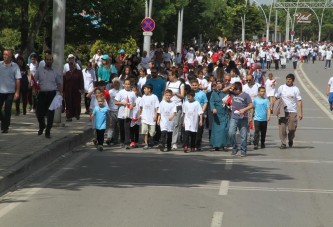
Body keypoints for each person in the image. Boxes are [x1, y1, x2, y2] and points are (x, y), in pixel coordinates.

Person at [34, 54, 62, 138]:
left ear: (52, 61)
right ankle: (42, 125)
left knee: (50, 114)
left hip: (52, 94)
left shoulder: (55, 71)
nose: (49, 61)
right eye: (47, 59)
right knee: (39, 112)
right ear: (45, 60)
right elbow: (35, 81)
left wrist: (60, 93)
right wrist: (34, 90)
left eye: (50, 60)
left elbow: (59, 83)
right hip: (42, 93)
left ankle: (48, 131)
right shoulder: (40, 70)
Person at [224, 82, 253, 157]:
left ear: (239, 89)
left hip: (243, 118)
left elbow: (251, 105)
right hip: (234, 117)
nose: (233, 91)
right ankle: (235, 148)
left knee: (243, 135)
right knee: (231, 133)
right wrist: (231, 86)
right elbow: (223, 90)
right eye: (233, 90)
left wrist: (244, 109)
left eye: (235, 90)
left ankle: (243, 150)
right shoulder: (232, 93)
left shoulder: (246, 95)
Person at [274, 74, 303, 149]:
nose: (288, 80)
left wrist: (300, 112)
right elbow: (276, 97)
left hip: (292, 111)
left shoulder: (296, 89)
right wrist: (274, 107)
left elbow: (299, 101)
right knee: (282, 128)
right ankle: (283, 143)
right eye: (287, 79)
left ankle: (290, 139)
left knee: (292, 128)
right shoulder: (282, 87)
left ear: (293, 80)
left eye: (290, 79)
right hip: (283, 111)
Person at [0, 49, 21, 133]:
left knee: (7, 110)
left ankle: (5, 127)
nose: (4, 56)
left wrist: (17, 92)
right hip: (0, 91)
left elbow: (18, 79)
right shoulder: (0, 65)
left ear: (10, 56)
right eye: (4, 54)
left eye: (6, 54)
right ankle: (4, 121)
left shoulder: (15, 66)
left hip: (10, 92)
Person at [165, 71, 185, 150]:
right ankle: (168, 141)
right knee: (168, 123)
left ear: (174, 75)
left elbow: (182, 96)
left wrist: (175, 94)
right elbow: (165, 93)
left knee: (176, 124)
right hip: (169, 106)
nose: (169, 77)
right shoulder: (168, 83)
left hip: (177, 106)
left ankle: (174, 143)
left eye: (170, 75)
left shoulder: (180, 84)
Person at [115, 78, 137, 148]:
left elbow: (135, 103)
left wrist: (132, 106)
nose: (127, 85)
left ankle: (127, 141)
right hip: (121, 114)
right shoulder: (121, 92)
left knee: (127, 128)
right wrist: (122, 103)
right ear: (124, 84)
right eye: (126, 84)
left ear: (131, 85)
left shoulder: (133, 93)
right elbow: (116, 102)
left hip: (129, 114)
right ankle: (122, 141)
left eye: (129, 84)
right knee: (121, 128)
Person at [209, 80, 230, 151]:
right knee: (217, 130)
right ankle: (216, 145)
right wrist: (213, 108)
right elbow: (211, 102)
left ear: (223, 85)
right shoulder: (214, 93)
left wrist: (228, 104)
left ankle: (224, 144)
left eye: (220, 83)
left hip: (224, 113)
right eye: (217, 84)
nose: (218, 85)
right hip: (217, 115)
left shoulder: (226, 93)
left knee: (225, 129)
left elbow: (230, 103)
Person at [138, 84, 160, 150]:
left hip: (151, 117)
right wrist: (139, 114)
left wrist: (156, 115)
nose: (144, 90)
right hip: (144, 117)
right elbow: (141, 107)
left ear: (149, 89)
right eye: (144, 89)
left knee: (152, 132)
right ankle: (146, 143)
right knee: (144, 130)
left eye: (145, 89)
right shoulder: (143, 97)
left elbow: (156, 107)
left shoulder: (154, 97)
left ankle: (150, 140)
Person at [190, 79, 208, 151]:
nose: (194, 87)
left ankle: (198, 144)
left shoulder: (202, 93)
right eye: (193, 85)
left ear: (198, 85)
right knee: (191, 130)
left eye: (196, 85)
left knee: (199, 130)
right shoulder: (189, 94)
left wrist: (202, 112)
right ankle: (192, 144)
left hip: (199, 114)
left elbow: (205, 102)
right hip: (191, 114)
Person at [106, 77, 121, 145]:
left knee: (117, 126)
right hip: (111, 110)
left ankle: (115, 139)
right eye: (114, 82)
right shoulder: (110, 91)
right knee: (111, 125)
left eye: (117, 82)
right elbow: (107, 100)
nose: (116, 84)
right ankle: (109, 138)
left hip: (119, 110)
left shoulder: (121, 91)